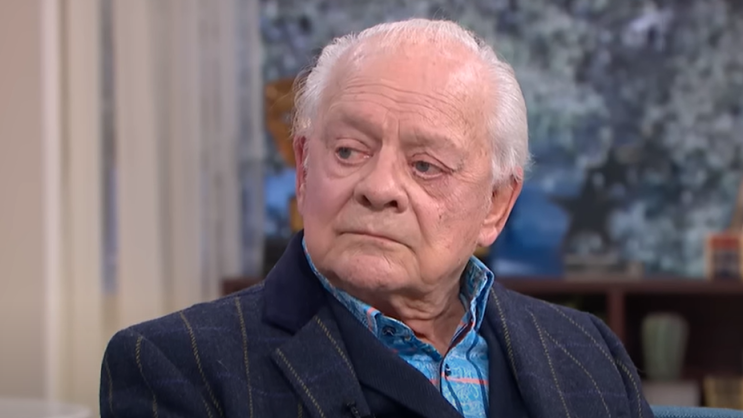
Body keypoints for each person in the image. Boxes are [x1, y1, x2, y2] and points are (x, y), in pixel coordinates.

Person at [101, 18, 653, 418]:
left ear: (496, 205)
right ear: (304, 168)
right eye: (348, 151)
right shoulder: (176, 365)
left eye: (425, 165)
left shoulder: (588, 352)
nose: (379, 187)